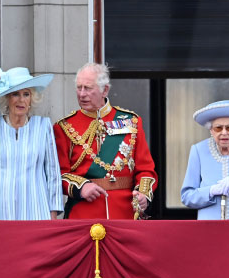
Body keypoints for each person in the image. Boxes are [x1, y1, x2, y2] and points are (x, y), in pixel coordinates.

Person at [53, 63, 157, 219]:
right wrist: (81, 188)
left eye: (88, 88)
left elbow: (146, 170)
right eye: (79, 88)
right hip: (83, 214)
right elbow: (58, 174)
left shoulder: (131, 121)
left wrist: (143, 195)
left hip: (124, 213)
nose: (82, 94)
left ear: (105, 90)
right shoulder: (64, 127)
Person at [0, 67, 63, 220]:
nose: (21, 100)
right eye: (15, 94)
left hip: (36, 211)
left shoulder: (43, 126)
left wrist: (53, 211)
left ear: (31, 98)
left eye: (26, 94)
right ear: (6, 98)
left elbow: (53, 173)